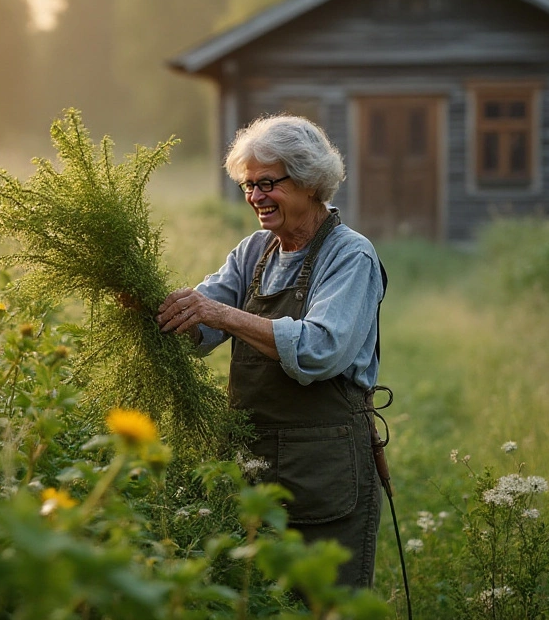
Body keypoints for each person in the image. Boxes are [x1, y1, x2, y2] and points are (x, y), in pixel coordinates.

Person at [156, 114, 385, 588]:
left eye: (267, 183)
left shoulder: (350, 255)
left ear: (307, 182)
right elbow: (201, 330)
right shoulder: (254, 251)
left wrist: (220, 315)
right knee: (253, 596)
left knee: (321, 601)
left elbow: (320, 349)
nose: (255, 197)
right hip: (251, 461)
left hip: (324, 471)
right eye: (247, 184)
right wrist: (155, 311)